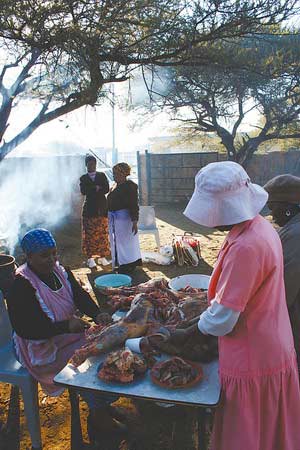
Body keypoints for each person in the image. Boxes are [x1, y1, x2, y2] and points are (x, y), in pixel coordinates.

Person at [162, 162, 300, 450]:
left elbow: (224, 318)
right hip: (270, 344)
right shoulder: (257, 228)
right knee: (268, 435)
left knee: (249, 436)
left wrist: (188, 332)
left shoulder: (247, 246)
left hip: (254, 355)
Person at [6, 229, 125, 446]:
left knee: (105, 353)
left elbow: (80, 297)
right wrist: (65, 326)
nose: (51, 260)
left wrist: (97, 313)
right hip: (41, 347)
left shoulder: (61, 271)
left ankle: (102, 406)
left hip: (67, 335)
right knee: (86, 370)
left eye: (54, 253)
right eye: (44, 255)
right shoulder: (21, 285)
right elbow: (26, 328)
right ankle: (99, 419)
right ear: (29, 257)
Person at [264, 174, 300, 372]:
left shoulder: (296, 235)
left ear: (288, 207)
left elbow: (285, 291)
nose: (271, 214)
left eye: (272, 207)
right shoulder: (291, 227)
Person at [107, 162, 142, 273]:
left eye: (116, 173)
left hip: (125, 219)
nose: (114, 176)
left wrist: (134, 221)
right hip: (115, 219)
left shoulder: (130, 186)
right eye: (113, 173)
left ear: (123, 174)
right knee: (118, 242)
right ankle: (120, 263)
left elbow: (133, 204)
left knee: (126, 242)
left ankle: (128, 264)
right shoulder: (114, 186)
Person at [80, 154, 110, 269]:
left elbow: (106, 189)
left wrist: (93, 189)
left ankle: (102, 257)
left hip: (102, 209)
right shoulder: (83, 178)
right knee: (89, 235)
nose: (92, 166)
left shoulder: (102, 175)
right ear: (86, 165)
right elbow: (83, 191)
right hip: (89, 211)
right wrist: (96, 188)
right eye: (89, 164)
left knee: (102, 233)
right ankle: (90, 259)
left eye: (93, 164)